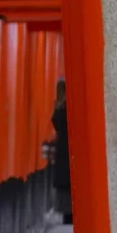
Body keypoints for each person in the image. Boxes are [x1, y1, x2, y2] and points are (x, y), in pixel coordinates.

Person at [50, 79, 71, 224]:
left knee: (65, 187)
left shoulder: (58, 108)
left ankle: (66, 217)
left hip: (62, 150)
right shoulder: (69, 108)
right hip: (70, 149)